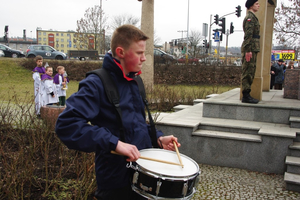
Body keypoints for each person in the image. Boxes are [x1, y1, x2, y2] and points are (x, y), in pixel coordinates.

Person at [55, 24, 180, 200]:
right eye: (139, 53)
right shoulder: (96, 84)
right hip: (115, 183)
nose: (144, 58)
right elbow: (66, 125)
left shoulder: (135, 81)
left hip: (143, 176)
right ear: (121, 52)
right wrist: (114, 143)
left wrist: (157, 138)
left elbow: (134, 123)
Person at [241, 0, 260, 104]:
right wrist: (248, 50)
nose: (259, 6)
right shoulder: (250, 18)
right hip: (250, 48)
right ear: (251, 5)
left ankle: (247, 93)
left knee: (251, 70)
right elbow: (248, 35)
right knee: (248, 71)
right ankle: (246, 95)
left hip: (253, 47)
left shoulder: (252, 17)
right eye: (256, 4)